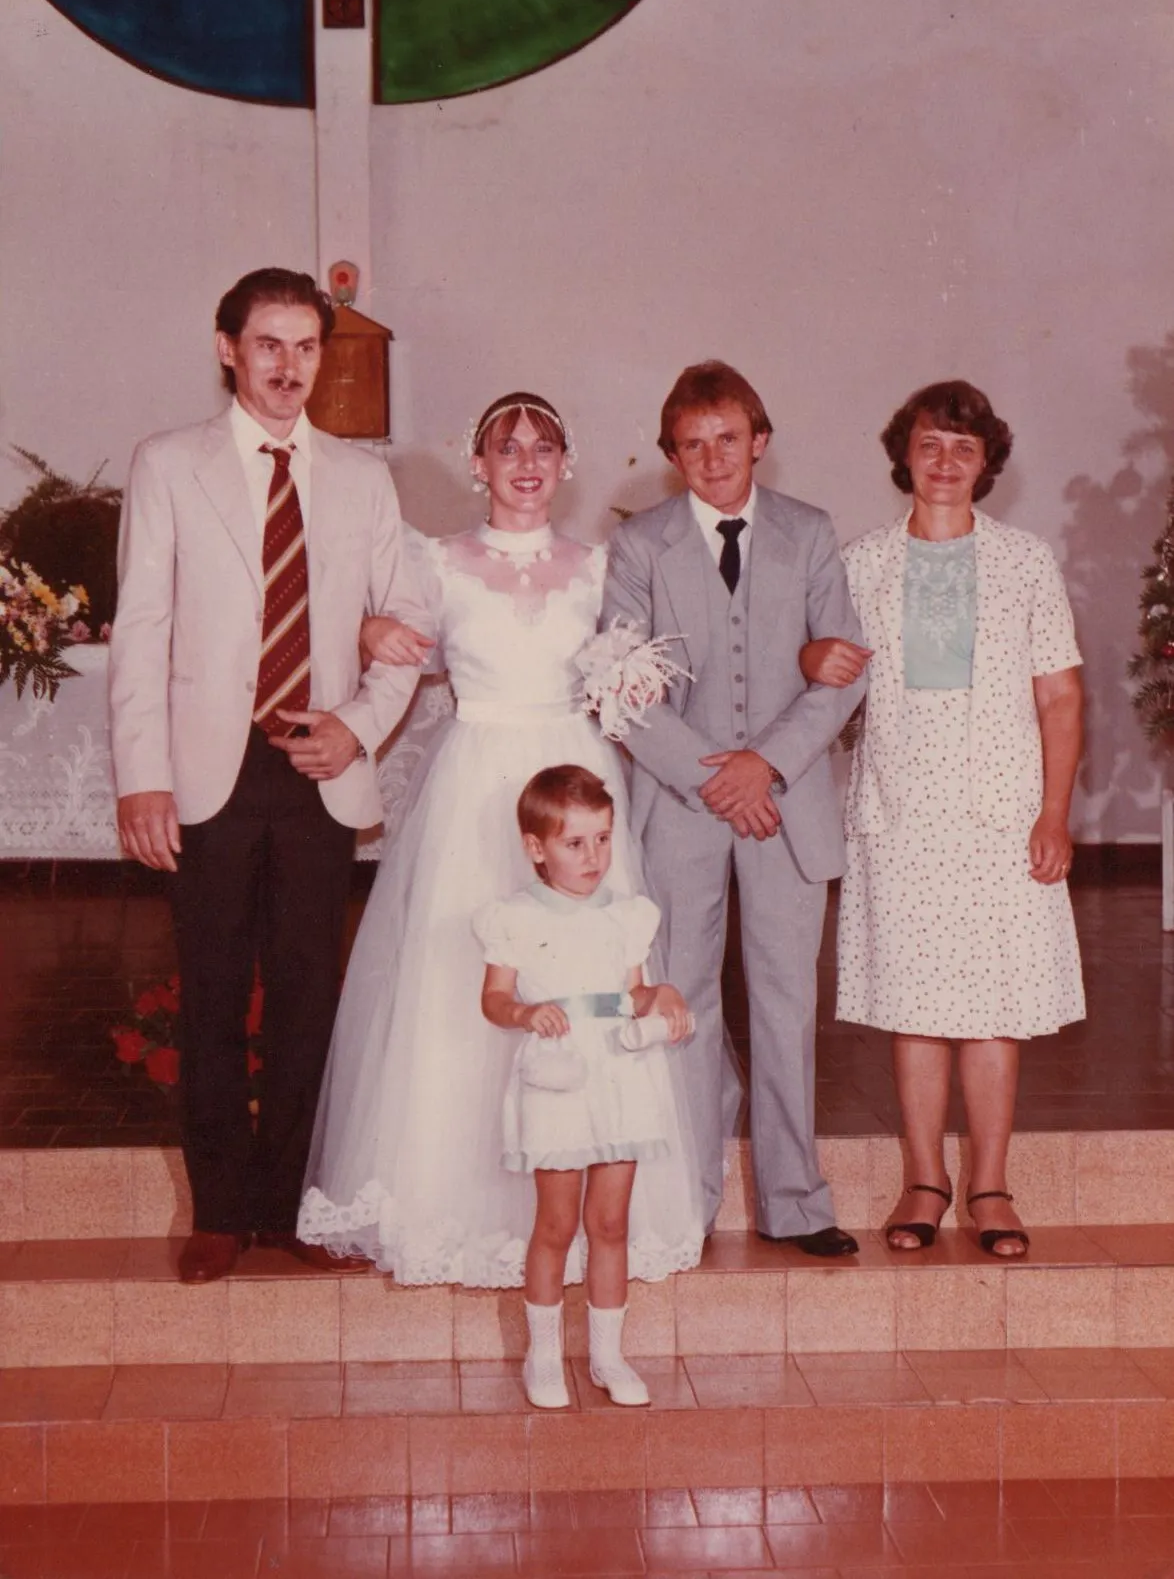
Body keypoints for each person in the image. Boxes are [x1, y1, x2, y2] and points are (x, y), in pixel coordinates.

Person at [298, 392, 705, 1286]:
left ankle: (595, 1200)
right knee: (462, 980)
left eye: (543, 445)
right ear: (476, 464)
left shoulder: (602, 567)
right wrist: (371, 629)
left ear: (567, 463)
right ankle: (449, 1204)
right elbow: (385, 643)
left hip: (571, 775)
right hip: (477, 783)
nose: (525, 460)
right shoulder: (434, 561)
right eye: (505, 446)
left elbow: (637, 671)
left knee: (586, 968)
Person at [109, 267, 429, 1284]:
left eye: (305, 347)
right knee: (210, 992)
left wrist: (357, 726)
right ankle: (219, 1207)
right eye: (268, 346)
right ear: (225, 347)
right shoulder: (169, 464)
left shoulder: (361, 479)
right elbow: (141, 635)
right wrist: (140, 778)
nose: (289, 367)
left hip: (313, 764)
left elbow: (406, 632)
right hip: (207, 766)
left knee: (304, 994)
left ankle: (287, 1203)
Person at [802, 379, 1085, 1257]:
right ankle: (924, 1178)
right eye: (931, 444)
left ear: (988, 461)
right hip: (902, 812)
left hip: (1002, 815)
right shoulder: (861, 563)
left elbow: (1061, 697)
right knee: (916, 1006)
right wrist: (813, 653)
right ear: (905, 455)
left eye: (965, 448)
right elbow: (824, 681)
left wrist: (1053, 811)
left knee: (993, 1006)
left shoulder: (1026, 561)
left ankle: (991, 1184)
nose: (946, 462)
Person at [602, 361, 866, 1255]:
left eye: (727, 437)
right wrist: (717, 777)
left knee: (787, 1004)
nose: (711, 457)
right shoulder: (639, 546)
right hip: (682, 805)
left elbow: (839, 672)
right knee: (683, 1001)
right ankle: (688, 1197)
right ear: (672, 454)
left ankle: (796, 1201)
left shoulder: (811, 533)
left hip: (784, 803)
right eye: (691, 443)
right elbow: (624, 688)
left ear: (759, 440)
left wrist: (769, 767)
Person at [475, 765, 693, 1408]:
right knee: (556, 1221)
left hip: (620, 1076)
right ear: (536, 847)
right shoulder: (511, 916)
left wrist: (665, 994)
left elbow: (634, 991)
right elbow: (493, 998)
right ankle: (542, 1356)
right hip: (558, 1077)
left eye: (603, 839)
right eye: (575, 843)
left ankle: (607, 1354)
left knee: (611, 1221)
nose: (593, 856)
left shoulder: (627, 915)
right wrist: (522, 1014)